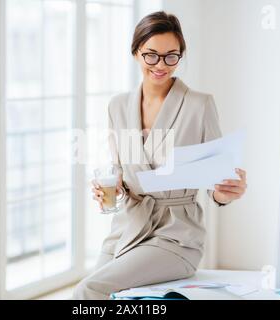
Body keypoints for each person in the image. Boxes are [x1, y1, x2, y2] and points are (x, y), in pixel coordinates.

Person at [72, 11, 247, 300]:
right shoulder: (117, 106)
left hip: (176, 235)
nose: (161, 65)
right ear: (136, 53)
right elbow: (118, 170)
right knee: (97, 292)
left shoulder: (199, 105)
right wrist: (113, 187)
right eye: (151, 55)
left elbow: (217, 177)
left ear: (180, 56)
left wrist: (224, 193)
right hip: (127, 227)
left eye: (171, 56)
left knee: (88, 289)